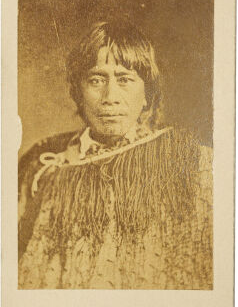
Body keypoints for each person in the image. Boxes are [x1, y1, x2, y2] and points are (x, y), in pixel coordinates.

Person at [18, 19, 213, 289]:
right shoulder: (45, 171)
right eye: (96, 80)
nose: (110, 96)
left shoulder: (194, 166)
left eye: (125, 80)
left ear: (147, 93)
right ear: (78, 92)